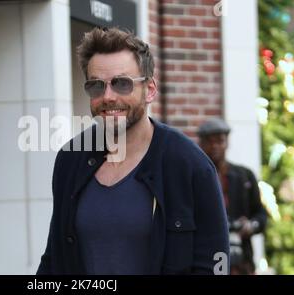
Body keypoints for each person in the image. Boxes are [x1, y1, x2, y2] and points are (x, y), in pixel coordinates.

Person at [36, 27, 229, 275]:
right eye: (96, 86)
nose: (108, 96)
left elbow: (215, 265)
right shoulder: (71, 158)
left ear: (149, 90)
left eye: (122, 84)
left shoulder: (189, 165)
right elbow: (55, 258)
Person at [198, 118, 268, 275]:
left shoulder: (244, 176)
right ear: (201, 144)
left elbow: (260, 214)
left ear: (227, 143)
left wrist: (250, 226)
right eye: (210, 141)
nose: (215, 146)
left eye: (220, 141)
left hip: (241, 259)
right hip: (206, 258)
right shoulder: (195, 177)